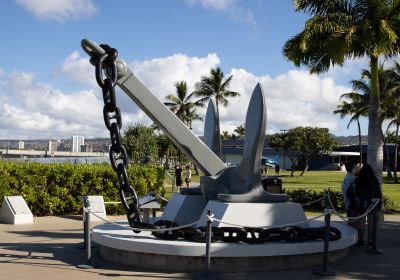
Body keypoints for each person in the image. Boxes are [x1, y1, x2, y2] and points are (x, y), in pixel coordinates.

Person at [352, 163, 383, 246]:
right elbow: (378, 193)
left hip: (361, 204)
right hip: (372, 204)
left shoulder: (358, 180)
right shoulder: (374, 180)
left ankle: (360, 239)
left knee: (361, 223)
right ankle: (370, 241)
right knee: (371, 224)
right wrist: (379, 206)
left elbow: (355, 192)